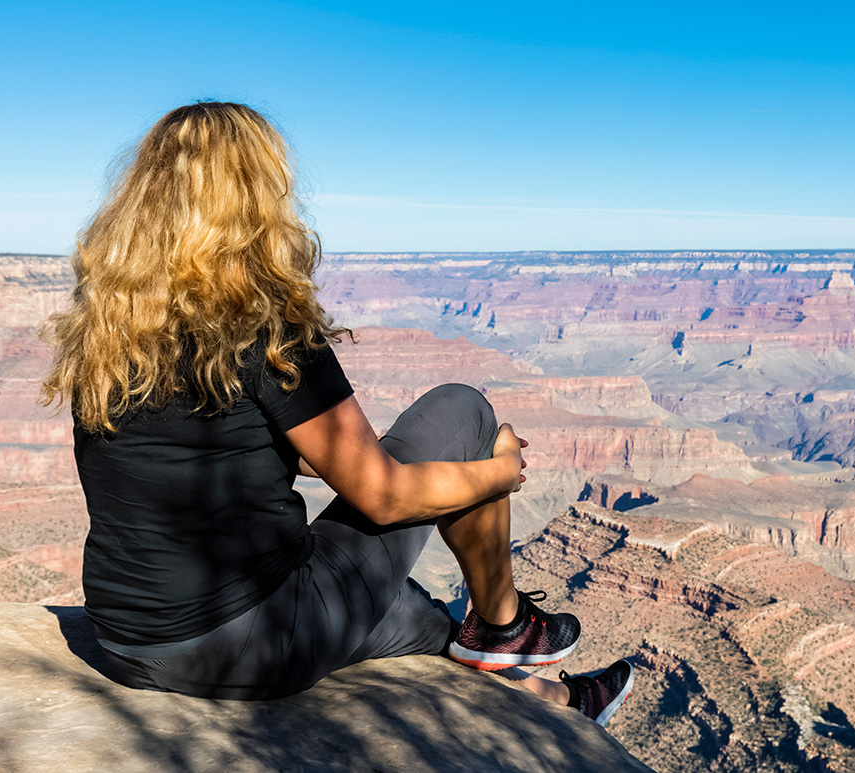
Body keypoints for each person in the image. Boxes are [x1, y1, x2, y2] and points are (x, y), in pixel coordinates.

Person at [39, 101, 633, 726]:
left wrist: (350, 457)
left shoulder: (109, 334)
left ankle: (560, 703)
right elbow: (384, 497)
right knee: (464, 412)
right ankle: (505, 624)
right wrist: (499, 472)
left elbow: (223, 448)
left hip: (128, 639)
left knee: (418, 617)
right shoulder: (263, 327)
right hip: (254, 641)